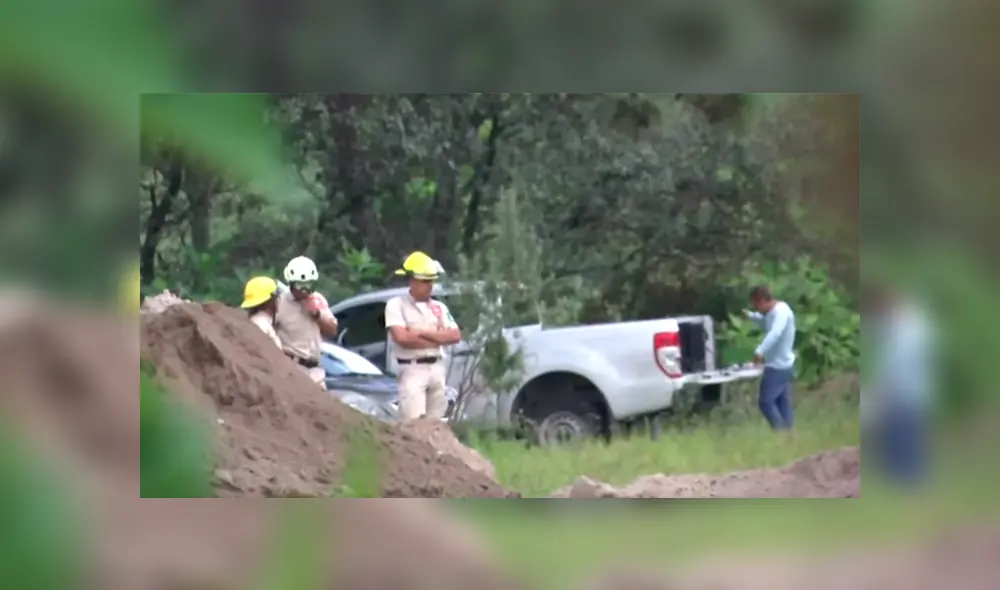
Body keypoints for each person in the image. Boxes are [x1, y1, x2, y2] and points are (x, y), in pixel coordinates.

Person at [862, 281, 934, 487]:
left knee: (907, 440)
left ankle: (912, 484)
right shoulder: (901, 323)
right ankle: (901, 482)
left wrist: (882, 389)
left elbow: (899, 361)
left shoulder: (909, 326)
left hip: (907, 392)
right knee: (895, 439)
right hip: (901, 391)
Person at [384, 251, 462, 420]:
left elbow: (455, 335)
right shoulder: (396, 305)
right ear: (412, 281)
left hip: (437, 368)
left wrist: (421, 333)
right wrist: (438, 337)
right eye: (425, 281)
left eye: (431, 281)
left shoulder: (439, 307)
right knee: (414, 424)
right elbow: (403, 338)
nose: (429, 286)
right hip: (413, 368)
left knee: (435, 425)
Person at [273, 256, 338, 389]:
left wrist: (317, 314)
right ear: (291, 283)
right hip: (292, 368)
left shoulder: (318, 299)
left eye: (309, 285)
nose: (305, 290)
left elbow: (332, 330)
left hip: (316, 371)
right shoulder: (280, 304)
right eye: (300, 285)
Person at [743, 285, 797, 431]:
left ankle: (781, 433)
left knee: (765, 402)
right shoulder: (771, 313)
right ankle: (790, 435)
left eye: (755, 304)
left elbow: (775, 333)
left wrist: (759, 352)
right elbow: (765, 323)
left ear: (761, 300)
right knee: (782, 401)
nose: (755, 306)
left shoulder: (781, 312)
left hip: (779, 365)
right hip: (780, 363)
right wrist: (751, 316)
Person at [240, 276, 282, 349]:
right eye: (277, 297)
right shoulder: (261, 325)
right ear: (272, 300)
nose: (279, 300)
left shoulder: (258, 321)